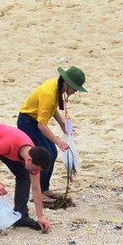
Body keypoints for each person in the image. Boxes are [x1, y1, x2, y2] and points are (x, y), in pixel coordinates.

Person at [18, 66, 87, 201]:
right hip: (27, 122)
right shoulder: (49, 93)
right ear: (67, 83)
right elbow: (41, 125)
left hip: (34, 120)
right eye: (74, 88)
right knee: (45, 154)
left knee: (52, 154)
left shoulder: (57, 86)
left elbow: (52, 108)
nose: (74, 92)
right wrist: (58, 141)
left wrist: (61, 123)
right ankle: (38, 193)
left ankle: (44, 188)